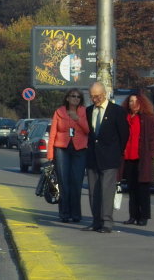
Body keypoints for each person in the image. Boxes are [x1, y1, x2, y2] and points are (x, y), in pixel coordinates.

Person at [82, 82, 129, 233]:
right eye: (92, 96)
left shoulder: (117, 111)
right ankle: (96, 221)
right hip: (92, 157)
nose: (94, 99)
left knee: (106, 191)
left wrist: (117, 152)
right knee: (93, 192)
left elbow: (124, 134)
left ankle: (107, 222)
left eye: (97, 96)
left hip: (109, 158)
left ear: (104, 94)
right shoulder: (88, 111)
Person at [47, 88, 89, 223]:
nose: (75, 98)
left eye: (78, 97)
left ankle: (76, 214)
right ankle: (64, 214)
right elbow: (53, 132)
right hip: (62, 149)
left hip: (79, 149)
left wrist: (78, 119)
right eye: (73, 96)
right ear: (67, 98)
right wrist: (50, 153)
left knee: (76, 183)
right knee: (64, 183)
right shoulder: (59, 112)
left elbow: (88, 130)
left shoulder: (84, 111)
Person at [119, 91, 154, 227]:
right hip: (129, 158)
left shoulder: (148, 118)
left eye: (136, 101)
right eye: (131, 101)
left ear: (141, 103)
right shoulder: (126, 117)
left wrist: (151, 154)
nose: (133, 104)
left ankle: (144, 217)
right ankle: (133, 216)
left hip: (143, 159)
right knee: (132, 189)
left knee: (143, 190)